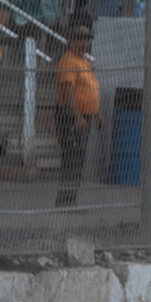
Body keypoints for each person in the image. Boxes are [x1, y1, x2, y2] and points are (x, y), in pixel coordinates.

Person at [54, 23, 99, 204]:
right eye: (79, 39)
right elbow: (69, 90)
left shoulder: (85, 62)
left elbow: (91, 89)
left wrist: (96, 113)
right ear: (71, 41)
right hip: (70, 115)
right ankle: (64, 199)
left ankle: (71, 198)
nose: (83, 43)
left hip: (85, 116)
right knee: (71, 157)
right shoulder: (69, 61)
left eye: (86, 39)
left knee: (78, 157)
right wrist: (77, 116)